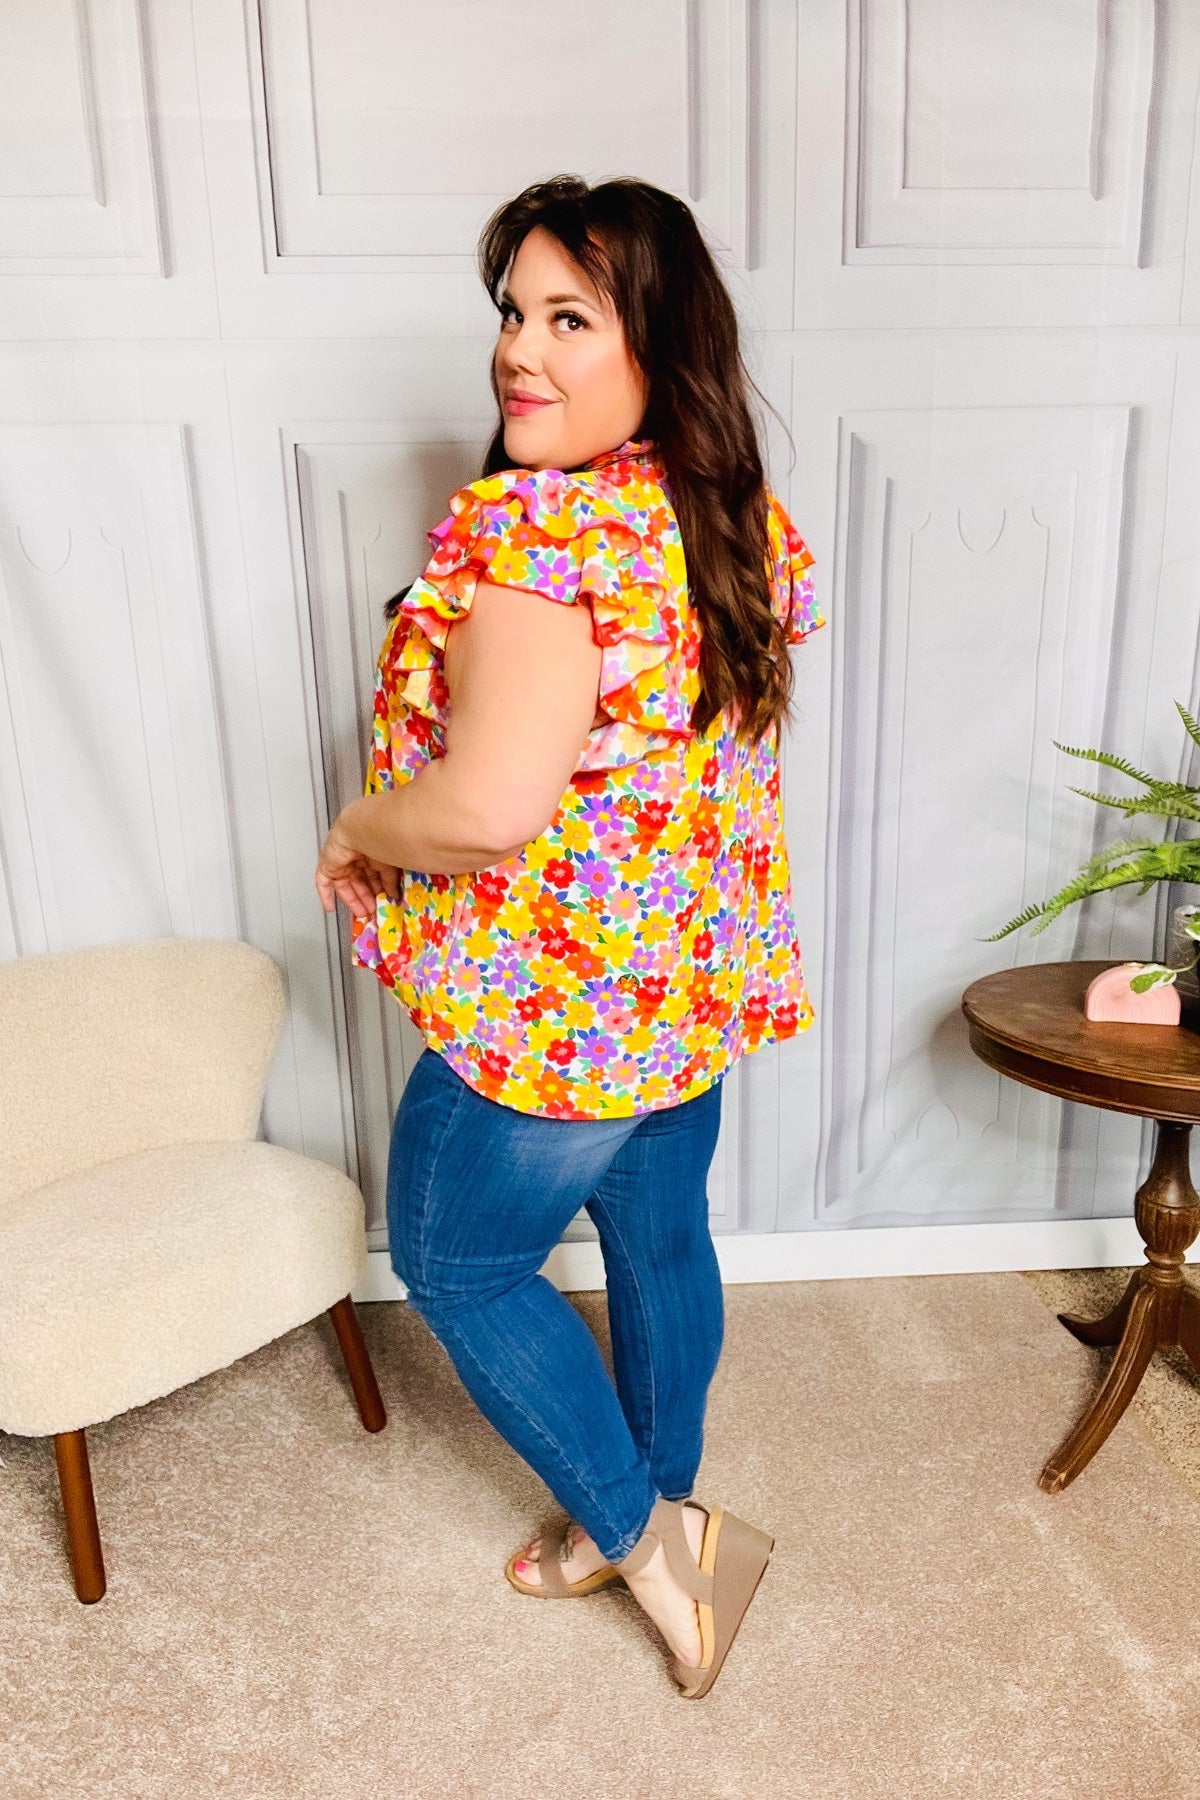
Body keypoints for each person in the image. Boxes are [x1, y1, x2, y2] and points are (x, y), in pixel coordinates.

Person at [313, 175, 825, 1699]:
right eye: (512, 314)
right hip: (681, 994)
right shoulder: (722, 516)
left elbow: (483, 810)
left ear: (660, 346)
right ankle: (664, 1501)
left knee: (457, 1261)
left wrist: (357, 823)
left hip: (555, 1025)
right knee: (659, 1241)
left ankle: (650, 1545)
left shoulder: (541, 538)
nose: (518, 352)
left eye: (568, 320)